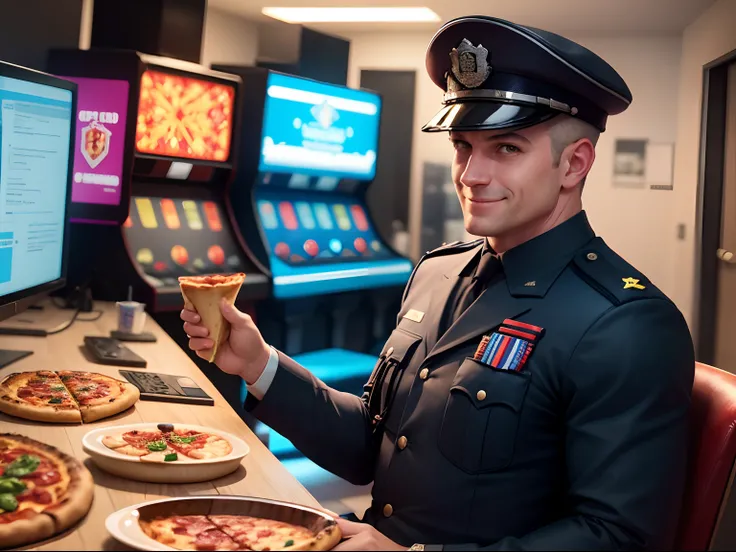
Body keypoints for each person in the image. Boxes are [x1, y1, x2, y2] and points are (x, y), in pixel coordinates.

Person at [182, 15, 695, 551]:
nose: (471, 174)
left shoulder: (624, 323)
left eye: (507, 149)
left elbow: (619, 537)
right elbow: (371, 445)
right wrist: (258, 364)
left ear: (574, 164)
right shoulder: (437, 271)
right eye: (463, 146)